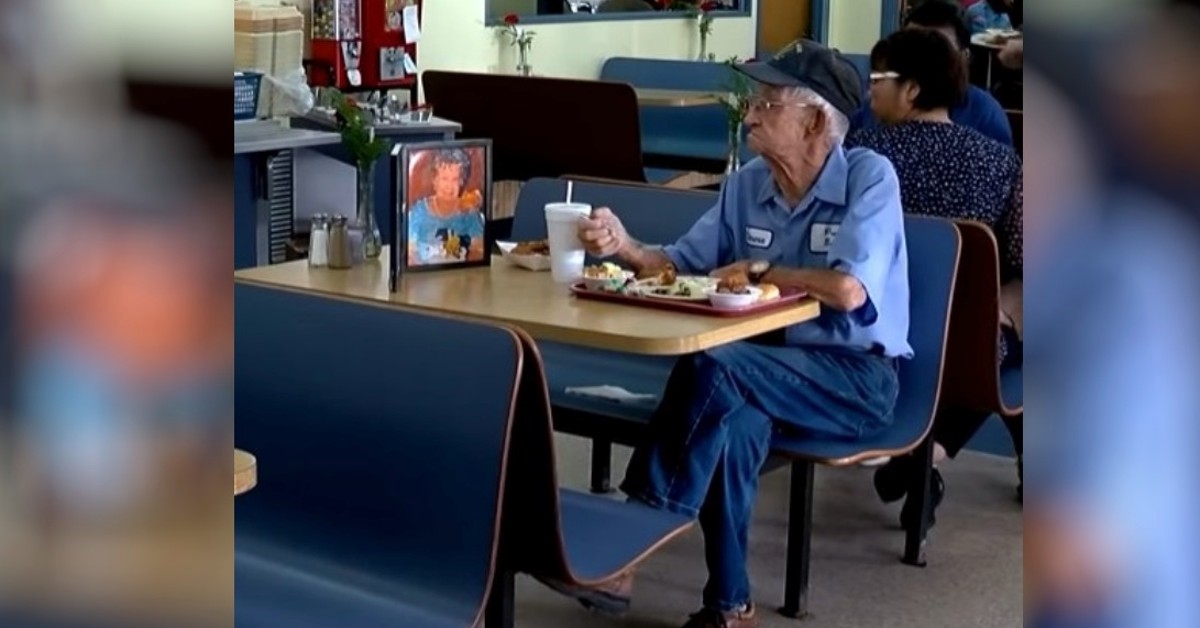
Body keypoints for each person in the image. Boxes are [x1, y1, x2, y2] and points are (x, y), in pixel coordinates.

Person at [545, 40, 911, 628]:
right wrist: (624, 244)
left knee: (714, 366)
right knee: (734, 423)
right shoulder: (747, 185)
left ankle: (635, 540)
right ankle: (731, 606)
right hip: (763, 371)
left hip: (854, 378)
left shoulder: (870, 178)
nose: (752, 112)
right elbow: (680, 264)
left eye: (769, 102)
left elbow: (847, 291)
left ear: (816, 120)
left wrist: (767, 270)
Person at [845, 28, 1022, 525]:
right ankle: (933, 451)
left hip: (868, 332)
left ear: (913, 90)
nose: (869, 90)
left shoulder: (860, 158)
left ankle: (920, 452)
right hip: (967, 345)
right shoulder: (1000, 162)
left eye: (878, 78)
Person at [849, 0, 1013, 146]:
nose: (922, 65)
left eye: (938, 54)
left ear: (964, 57)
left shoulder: (985, 114)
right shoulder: (874, 108)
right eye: (910, 51)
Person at [405, 148, 485, 265]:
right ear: (434, 181)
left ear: (461, 181)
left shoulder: (470, 214)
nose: (449, 186)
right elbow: (410, 255)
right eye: (444, 179)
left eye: (455, 180)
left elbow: (478, 252)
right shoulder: (418, 213)